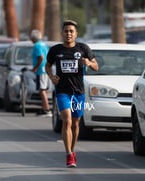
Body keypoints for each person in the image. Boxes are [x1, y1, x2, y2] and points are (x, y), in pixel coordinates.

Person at [45, 20, 99, 168]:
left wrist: (89, 63)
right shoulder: (55, 50)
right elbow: (47, 66)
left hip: (78, 92)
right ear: (62, 33)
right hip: (62, 91)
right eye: (66, 31)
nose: (68, 33)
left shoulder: (83, 48)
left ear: (76, 34)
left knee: (75, 123)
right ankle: (69, 154)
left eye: (71, 31)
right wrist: (51, 77)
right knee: (67, 121)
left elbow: (96, 66)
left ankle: (73, 150)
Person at [30, 29, 51, 116]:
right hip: (45, 69)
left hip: (41, 70)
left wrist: (35, 68)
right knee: (44, 89)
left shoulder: (37, 46)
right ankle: (44, 108)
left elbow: (41, 57)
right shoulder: (44, 45)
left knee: (41, 90)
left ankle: (47, 109)